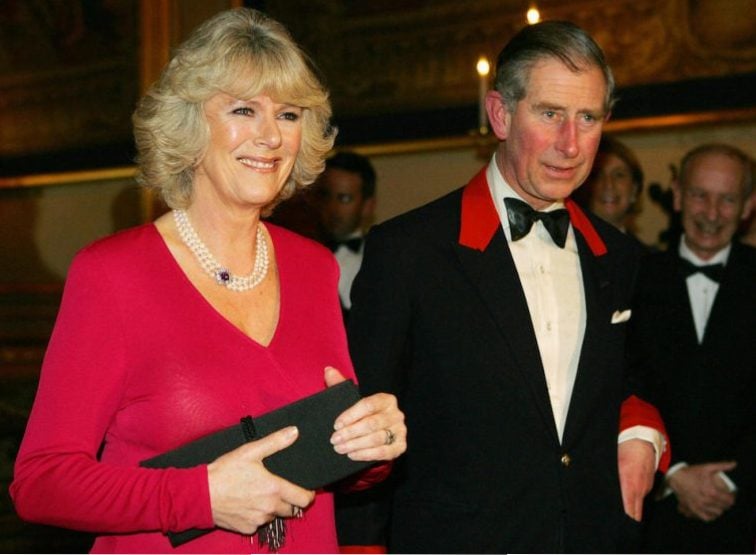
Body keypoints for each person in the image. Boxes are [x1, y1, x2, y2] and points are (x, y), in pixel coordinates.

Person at [9, 8, 406, 553]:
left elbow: (328, 453)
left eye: (289, 115)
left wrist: (370, 447)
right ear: (190, 125)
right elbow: (41, 483)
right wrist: (200, 495)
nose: (271, 136)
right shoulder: (113, 275)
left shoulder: (315, 267)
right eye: (244, 110)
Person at [347, 20, 669, 553]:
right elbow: (363, 424)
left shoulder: (618, 254)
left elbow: (631, 374)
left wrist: (638, 431)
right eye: (550, 114)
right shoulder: (409, 251)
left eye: (587, 118)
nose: (570, 144)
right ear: (500, 114)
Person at [631, 144, 755, 553]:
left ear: (748, 206)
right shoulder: (633, 280)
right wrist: (673, 474)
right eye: (700, 195)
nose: (711, 212)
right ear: (678, 195)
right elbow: (617, 389)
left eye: (727, 199)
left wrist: (730, 481)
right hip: (655, 521)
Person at [314, 151, 377, 316]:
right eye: (326, 196)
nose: (333, 208)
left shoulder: (382, 259)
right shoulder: (300, 257)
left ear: (367, 206)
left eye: (344, 199)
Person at [576, 134, 650, 250]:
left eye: (619, 175)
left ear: (634, 190)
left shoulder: (651, 261)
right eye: (598, 174)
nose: (608, 185)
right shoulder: (567, 254)